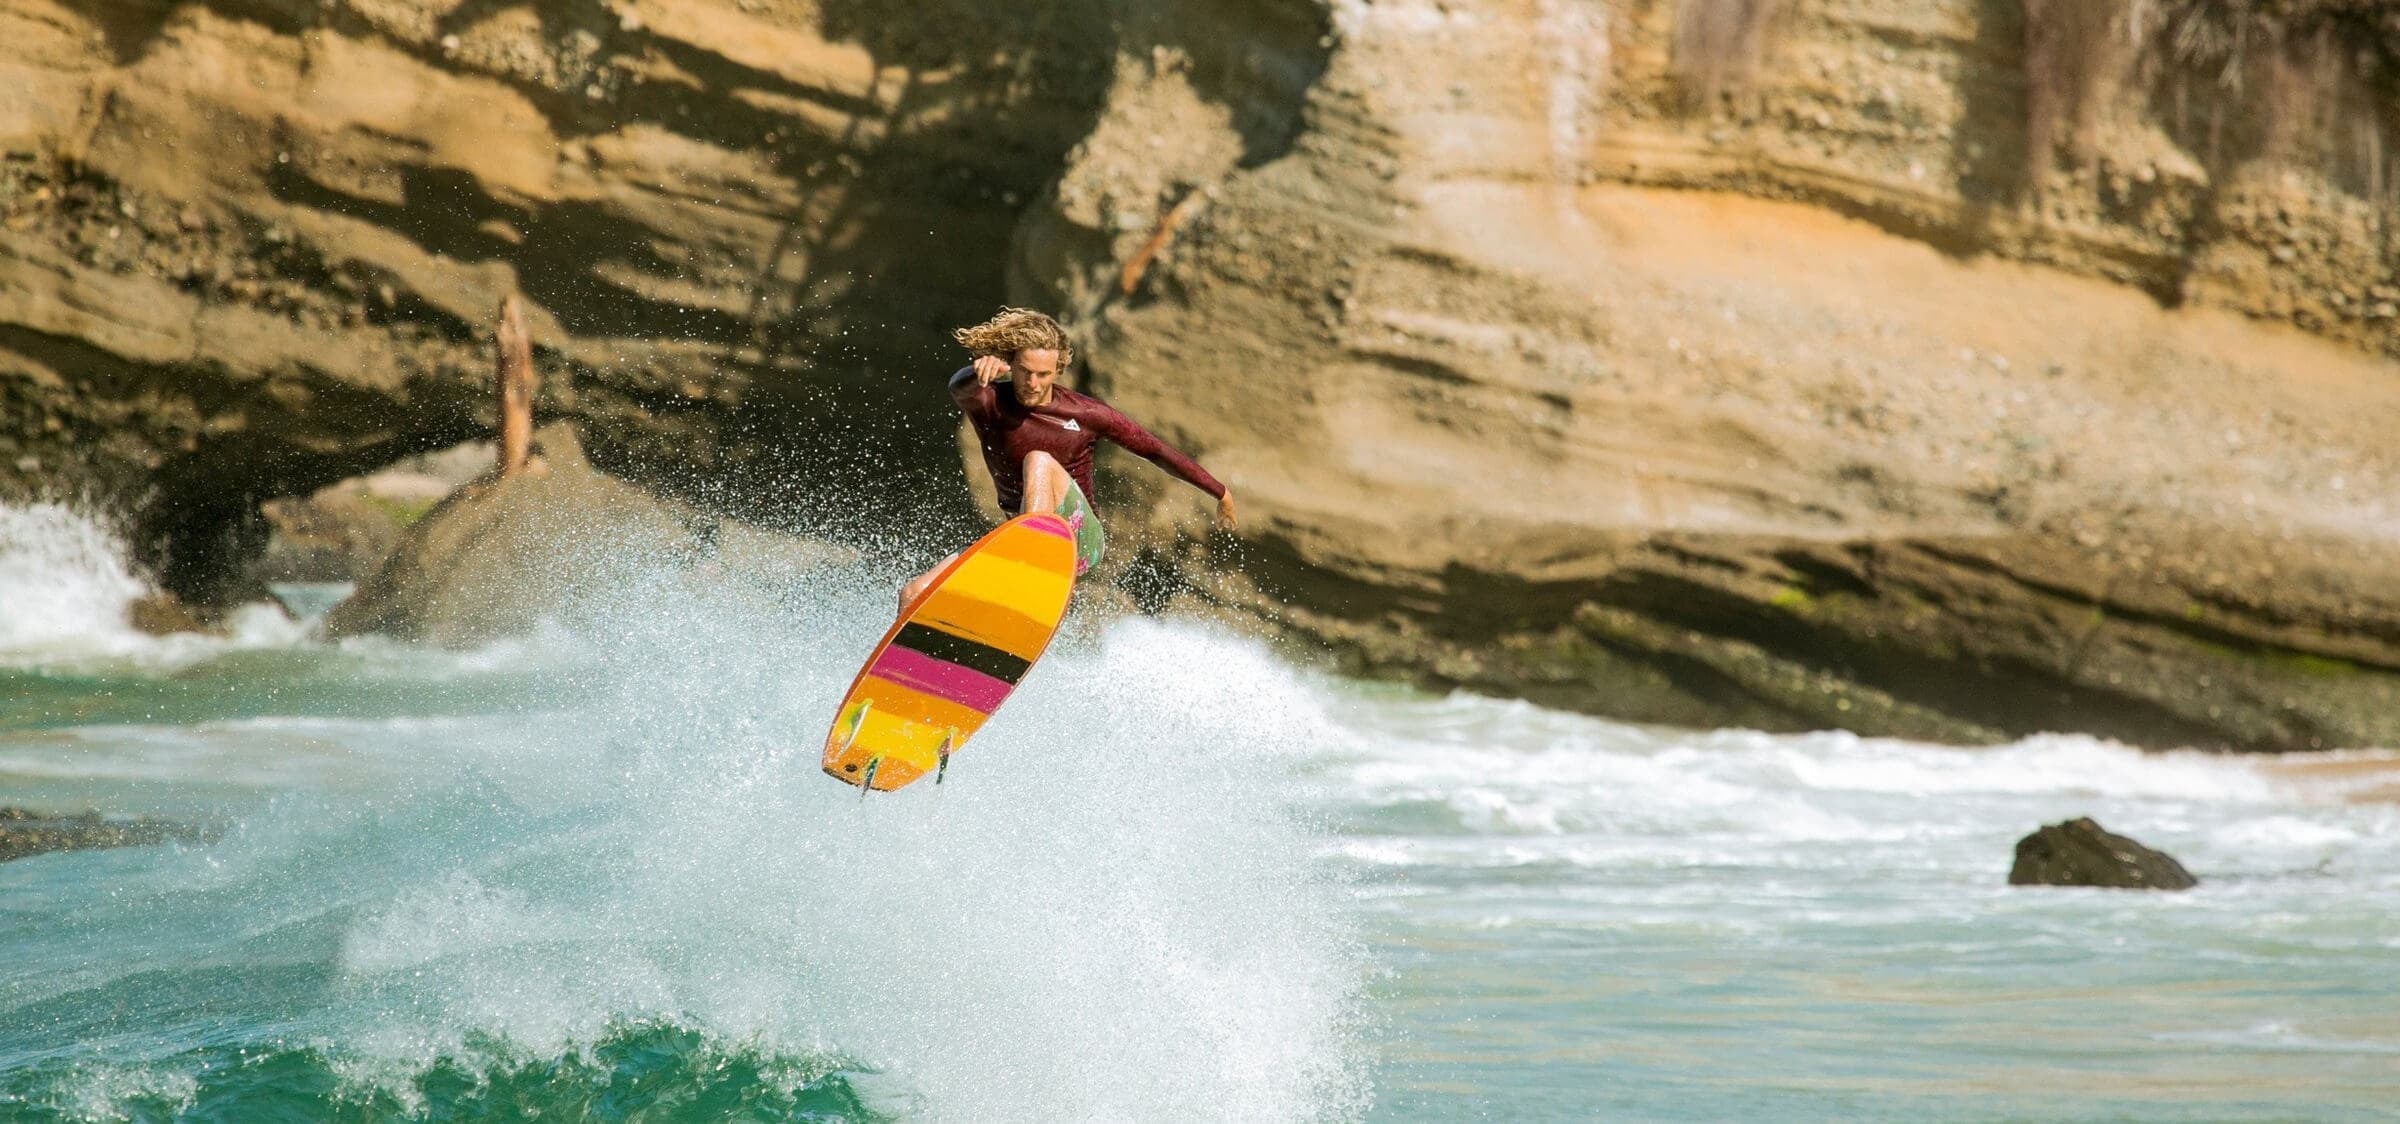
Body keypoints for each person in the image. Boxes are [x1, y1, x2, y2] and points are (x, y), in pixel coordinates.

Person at [898, 307, 1236, 613]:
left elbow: (1155, 451)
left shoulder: (1086, 414)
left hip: (1078, 543)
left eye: (1043, 375)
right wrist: (976, 372)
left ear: (1058, 369)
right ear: (1010, 364)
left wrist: (1219, 492)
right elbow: (959, 388)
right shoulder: (990, 403)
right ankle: (910, 674)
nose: (1032, 383)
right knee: (914, 593)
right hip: (1016, 539)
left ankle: (1028, 574)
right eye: (1025, 372)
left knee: (1039, 461)